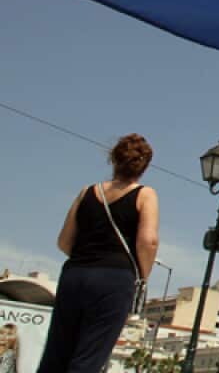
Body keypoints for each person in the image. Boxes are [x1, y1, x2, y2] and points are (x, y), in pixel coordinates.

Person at [37, 134, 159, 373]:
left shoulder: (87, 192)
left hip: (75, 274)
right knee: (90, 355)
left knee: (57, 352)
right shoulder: (145, 195)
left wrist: (87, 257)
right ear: (144, 166)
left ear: (113, 160)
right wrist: (142, 277)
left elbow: (63, 241)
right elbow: (149, 241)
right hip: (114, 279)